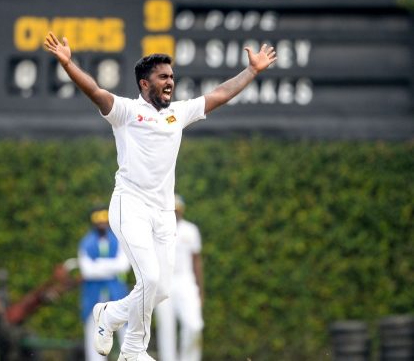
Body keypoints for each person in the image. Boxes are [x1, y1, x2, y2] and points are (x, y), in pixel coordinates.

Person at [43, 32, 276, 361]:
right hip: (130, 206)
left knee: (161, 290)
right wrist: (68, 64)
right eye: (163, 77)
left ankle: (109, 315)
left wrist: (251, 71)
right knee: (149, 279)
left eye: (172, 77)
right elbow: (94, 91)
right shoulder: (126, 112)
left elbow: (220, 94)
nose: (170, 82)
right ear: (144, 83)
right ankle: (133, 350)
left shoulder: (178, 113)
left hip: (164, 213)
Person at [155, 194, 204, 361]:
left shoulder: (191, 230)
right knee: (166, 329)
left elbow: (196, 261)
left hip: (185, 280)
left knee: (194, 325)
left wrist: (200, 291)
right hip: (163, 282)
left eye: (177, 209)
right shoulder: (157, 230)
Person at [78, 206, 131, 361]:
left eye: (104, 219)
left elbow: (124, 265)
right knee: (94, 331)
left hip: (116, 291)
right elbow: (87, 271)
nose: (102, 223)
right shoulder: (86, 243)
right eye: (98, 220)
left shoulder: (118, 240)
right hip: (93, 294)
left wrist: (99, 264)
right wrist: (111, 266)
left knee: (125, 331)